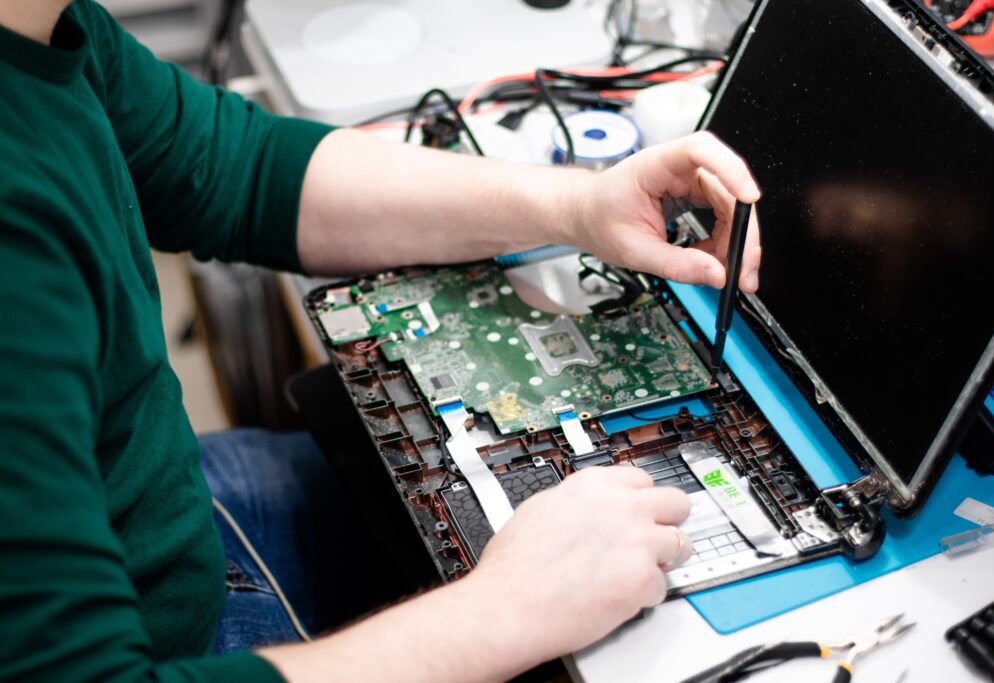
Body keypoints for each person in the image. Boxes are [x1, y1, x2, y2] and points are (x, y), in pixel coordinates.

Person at [0, 0, 761, 681]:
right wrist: (506, 610)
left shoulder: (42, 26)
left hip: (164, 515)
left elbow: (241, 169)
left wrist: (581, 204)